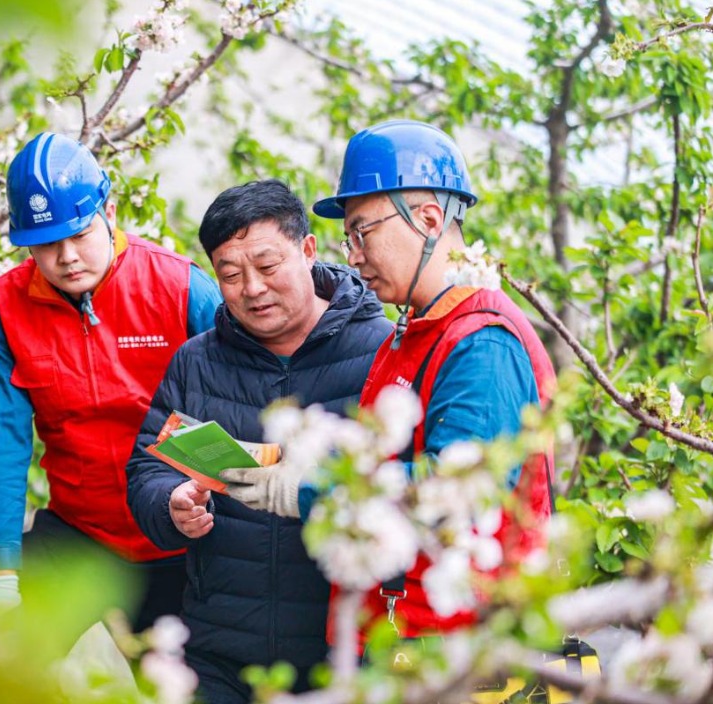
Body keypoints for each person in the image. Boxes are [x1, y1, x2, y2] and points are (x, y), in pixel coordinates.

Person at [126, 179, 392, 702]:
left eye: (268, 267)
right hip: (218, 651)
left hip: (337, 653)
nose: (252, 288)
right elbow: (146, 470)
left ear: (308, 250)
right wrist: (170, 503)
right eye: (230, 274)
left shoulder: (380, 348)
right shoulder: (197, 361)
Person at [310, 119, 555, 653]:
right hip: (402, 641)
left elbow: (458, 491)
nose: (352, 255)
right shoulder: (417, 329)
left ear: (427, 219)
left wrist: (311, 487)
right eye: (347, 237)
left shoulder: (482, 343)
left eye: (362, 231)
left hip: (453, 654)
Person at [0, 132, 221, 632]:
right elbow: (3, 441)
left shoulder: (181, 287)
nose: (66, 256)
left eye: (79, 234)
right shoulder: (5, 305)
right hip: (78, 532)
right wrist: (0, 569)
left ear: (109, 213)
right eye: (45, 244)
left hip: (177, 531)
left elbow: (242, 408)